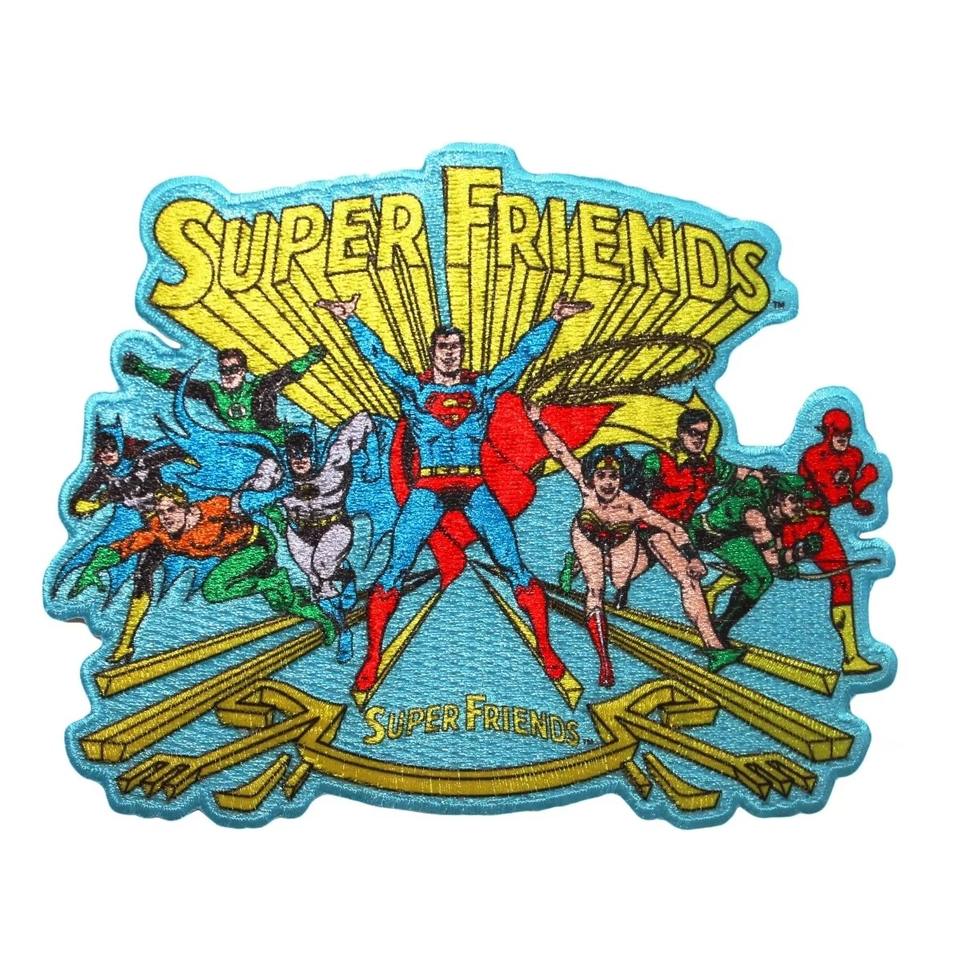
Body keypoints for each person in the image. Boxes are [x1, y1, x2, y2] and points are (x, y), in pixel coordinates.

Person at [315, 292, 591, 693]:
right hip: (429, 486)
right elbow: (377, 357)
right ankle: (372, 658)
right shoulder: (414, 390)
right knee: (396, 568)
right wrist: (351, 320)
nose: (450, 352)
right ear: (433, 351)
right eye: (443, 346)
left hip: (473, 484)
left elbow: (522, 356)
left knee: (513, 565)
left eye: (456, 346)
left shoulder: (482, 390)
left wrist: (554, 320)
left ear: (462, 351)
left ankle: (547, 650)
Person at [527, 403, 735, 680]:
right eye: (601, 476)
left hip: (620, 537)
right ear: (592, 477)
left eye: (614, 476)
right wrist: (538, 422)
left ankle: (577, 565)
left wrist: (693, 556)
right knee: (596, 589)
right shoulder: (586, 488)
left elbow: (673, 528)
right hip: (586, 535)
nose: (607, 483)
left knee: (619, 581)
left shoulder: (633, 506)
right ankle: (605, 664)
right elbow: (561, 452)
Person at [69, 482, 334, 663]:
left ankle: (275, 581)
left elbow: (249, 501)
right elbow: (124, 547)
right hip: (238, 558)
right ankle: (324, 619)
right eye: (161, 512)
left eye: (172, 510)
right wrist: (93, 568)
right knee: (284, 603)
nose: (166, 517)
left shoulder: (212, 509)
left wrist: (285, 499)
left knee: (214, 589)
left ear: (185, 508)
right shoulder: (159, 531)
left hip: (258, 545)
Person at [264, 414, 376, 664]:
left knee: (323, 568)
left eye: (305, 452)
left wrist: (373, 462)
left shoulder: (334, 461)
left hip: (335, 527)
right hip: (299, 532)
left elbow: (363, 420)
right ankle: (343, 629)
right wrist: (248, 498)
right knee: (317, 584)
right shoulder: (277, 472)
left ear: (315, 450)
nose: (300, 459)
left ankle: (342, 575)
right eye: (294, 454)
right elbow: (256, 485)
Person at [779, 408, 880, 673]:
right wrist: (864, 481)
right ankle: (714, 594)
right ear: (827, 432)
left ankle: (851, 657)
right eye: (837, 432)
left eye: (847, 433)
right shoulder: (814, 456)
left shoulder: (855, 456)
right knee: (767, 568)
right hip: (796, 523)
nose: (842, 438)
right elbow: (833, 497)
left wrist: (859, 500)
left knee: (842, 579)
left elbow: (845, 495)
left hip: (821, 524)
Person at [687, 473, 822, 645]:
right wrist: (800, 553)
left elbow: (776, 553)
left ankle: (720, 627)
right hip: (701, 533)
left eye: (802, 500)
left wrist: (791, 560)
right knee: (761, 577)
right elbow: (772, 561)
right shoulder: (756, 516)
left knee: (761, 575)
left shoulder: (774, 515)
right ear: (779, 498)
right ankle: (719, 629)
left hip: (728, 538)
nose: (800, 505)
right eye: (794, 499)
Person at [122, 344, 326, 446]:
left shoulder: (259, 387)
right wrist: (142, 369)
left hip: (279, 440)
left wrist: (310, 358)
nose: (228, 375)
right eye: (224, 370)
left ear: (243, 371)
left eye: (233, 369)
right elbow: (175, 382)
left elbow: (286, 374)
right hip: (246, 445)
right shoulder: (213, 392)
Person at [69, 420, 187, 518]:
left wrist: (189, 457)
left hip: (163, 510)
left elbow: (174, 452)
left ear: (120, 446)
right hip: (139, 516)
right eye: (101, 449)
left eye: (112, 447)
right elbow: (80, 496)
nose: (107, 453)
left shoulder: (140, 462)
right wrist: (91, 504)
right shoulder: (102, 472)